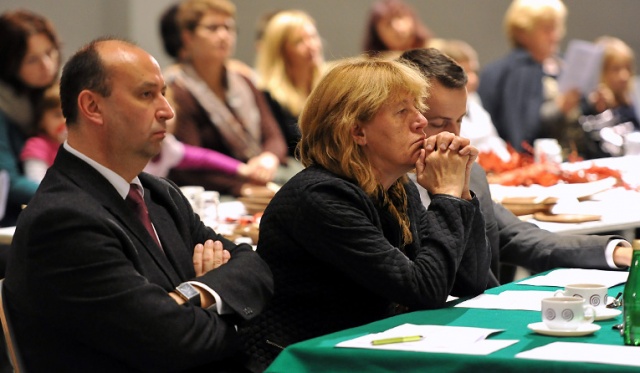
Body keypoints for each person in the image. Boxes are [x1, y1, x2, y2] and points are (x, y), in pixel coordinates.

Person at [4, 37, 273, 372]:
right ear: (92, 107)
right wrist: (237, 311)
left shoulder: (160, 194)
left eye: (163, 92)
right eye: (147, 94)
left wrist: (193, 294)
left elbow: (254, 267)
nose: (167, 110)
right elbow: (173, 342)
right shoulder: (63, 220)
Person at [238, 57, 491, 371]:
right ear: (357, 131)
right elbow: (424, 290)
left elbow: (472, 282)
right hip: (309, 361)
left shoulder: (397, 189)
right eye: (403, 111)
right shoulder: (320, 197)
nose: (421, 121)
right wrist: (447, 196)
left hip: (369, 351)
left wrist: (461, 190)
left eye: (417, 108)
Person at [399, 47, 633, 285]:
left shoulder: (472, 174)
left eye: (460, 121)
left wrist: (616, 251)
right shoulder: (382, 187)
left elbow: (519, 237)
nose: (455, 136)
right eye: (439, 123)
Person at [168, 0, 289, 197]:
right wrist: (241, 187)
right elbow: (187, 166)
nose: (224, 35)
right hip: (215, 194)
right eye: (213, 28)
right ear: (188, 37)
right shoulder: (178, 90)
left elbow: (273, 135)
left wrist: (268, 158)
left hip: (261, 179)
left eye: (229, 27)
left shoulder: (243, 80)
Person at [477, 0, 592, 158]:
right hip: (536, 162)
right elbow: (519, 131)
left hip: (578, 156)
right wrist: (558, 109)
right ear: (522, 33)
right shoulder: (512, 73)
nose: (555, 36)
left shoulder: (562, 64)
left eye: (556, 27)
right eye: (547, 29)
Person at [0, 9, 61, 226]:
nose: (47, 66)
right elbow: (10, 184)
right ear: (10, 65)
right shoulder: (3, 108)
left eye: (50, 52)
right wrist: (71, 197)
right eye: (32, 60)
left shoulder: (56, 95)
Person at [256, 9, 324, 158]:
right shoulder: (268, 96)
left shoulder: (330, 87)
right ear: (281, 51)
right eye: (299, 41)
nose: (311, 46)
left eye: (313, 37)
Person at [429, 38, 511, 161]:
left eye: (473, 71)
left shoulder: (474, 99)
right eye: (465, 72)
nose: (473, 79)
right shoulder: (439, 109)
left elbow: (493, 140)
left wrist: (507, 162)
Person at [20, 82, 67, 183]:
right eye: (57, 115)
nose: (65, 121)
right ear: (41, 120)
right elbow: (37, 182)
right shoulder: (37, 146)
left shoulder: (78, 147)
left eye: (70, 115)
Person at [362, 0, 432, 58]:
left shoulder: (435, 50)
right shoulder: (372, 63)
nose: (396, 28)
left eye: (400, 17)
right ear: (377, 33)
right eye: (388, 23)